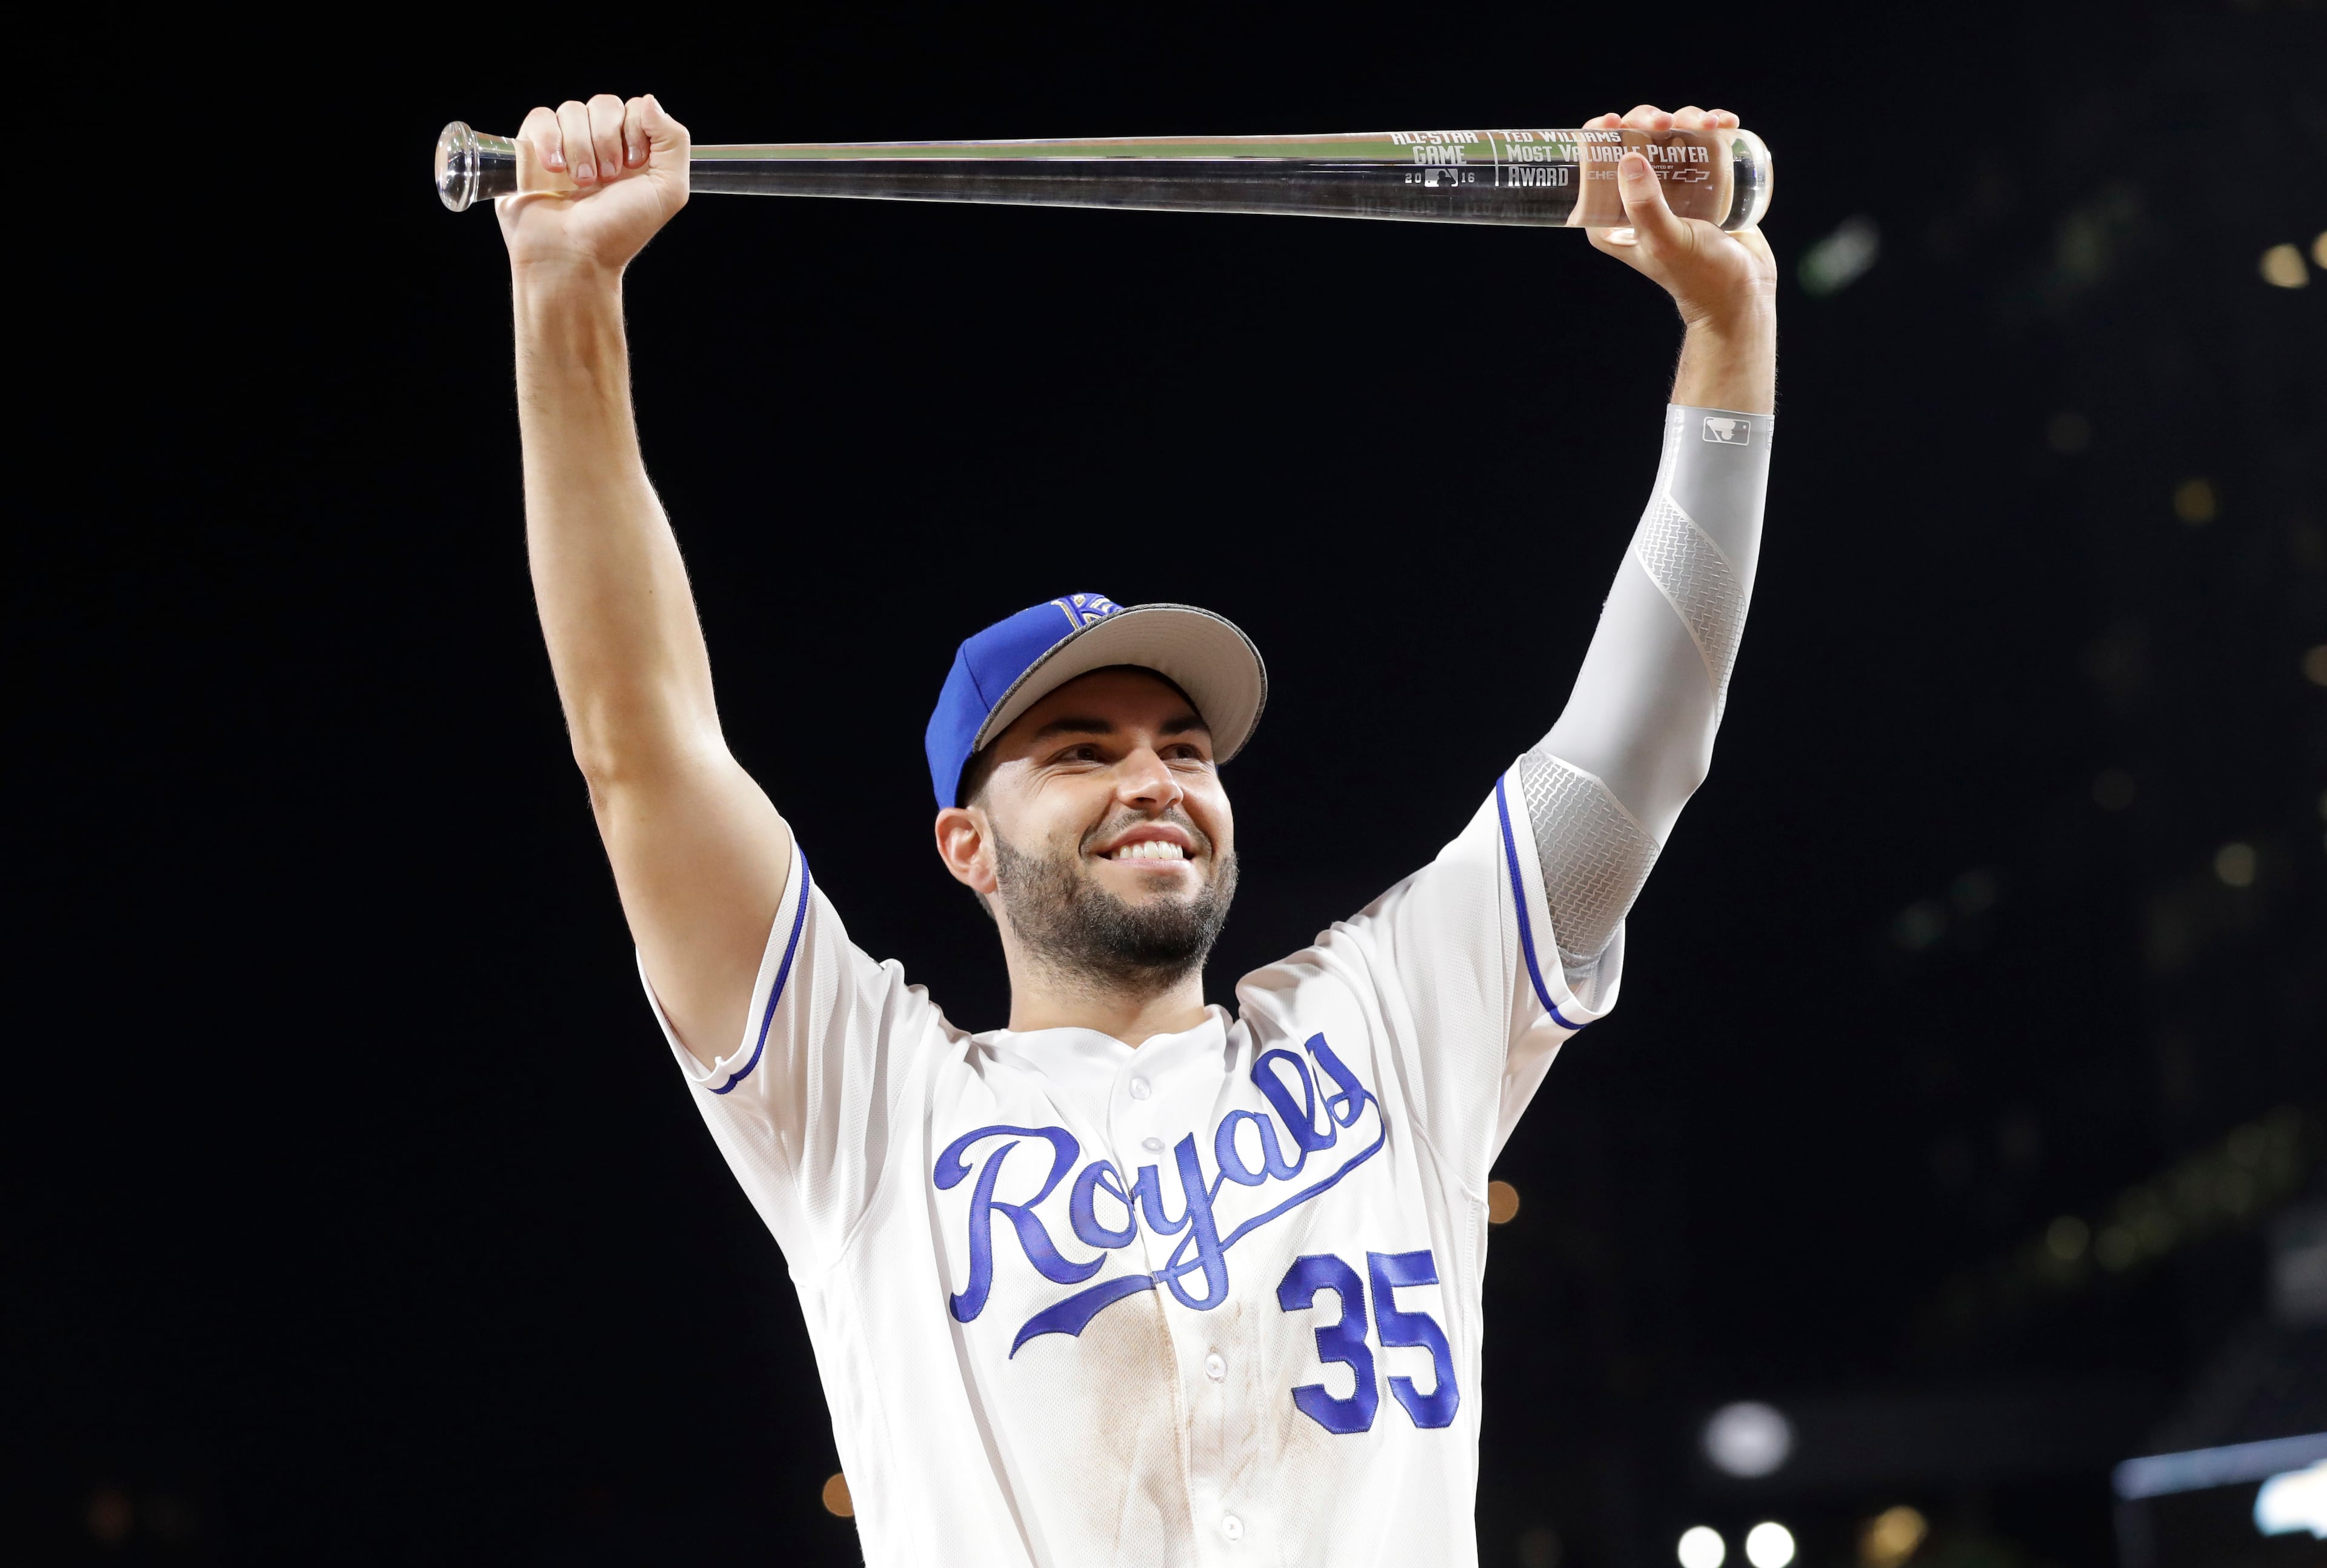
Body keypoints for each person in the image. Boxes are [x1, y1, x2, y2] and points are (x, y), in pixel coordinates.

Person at [501, 92, 1776, 1567]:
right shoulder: (865, 1101)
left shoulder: (1385, 1023)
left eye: (1185, 744)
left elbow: (1638, 753)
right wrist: (567, 294)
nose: (1156, 777)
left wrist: (1727, 339)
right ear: (965, 844)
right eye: (1078, 750)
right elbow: (643, 750)